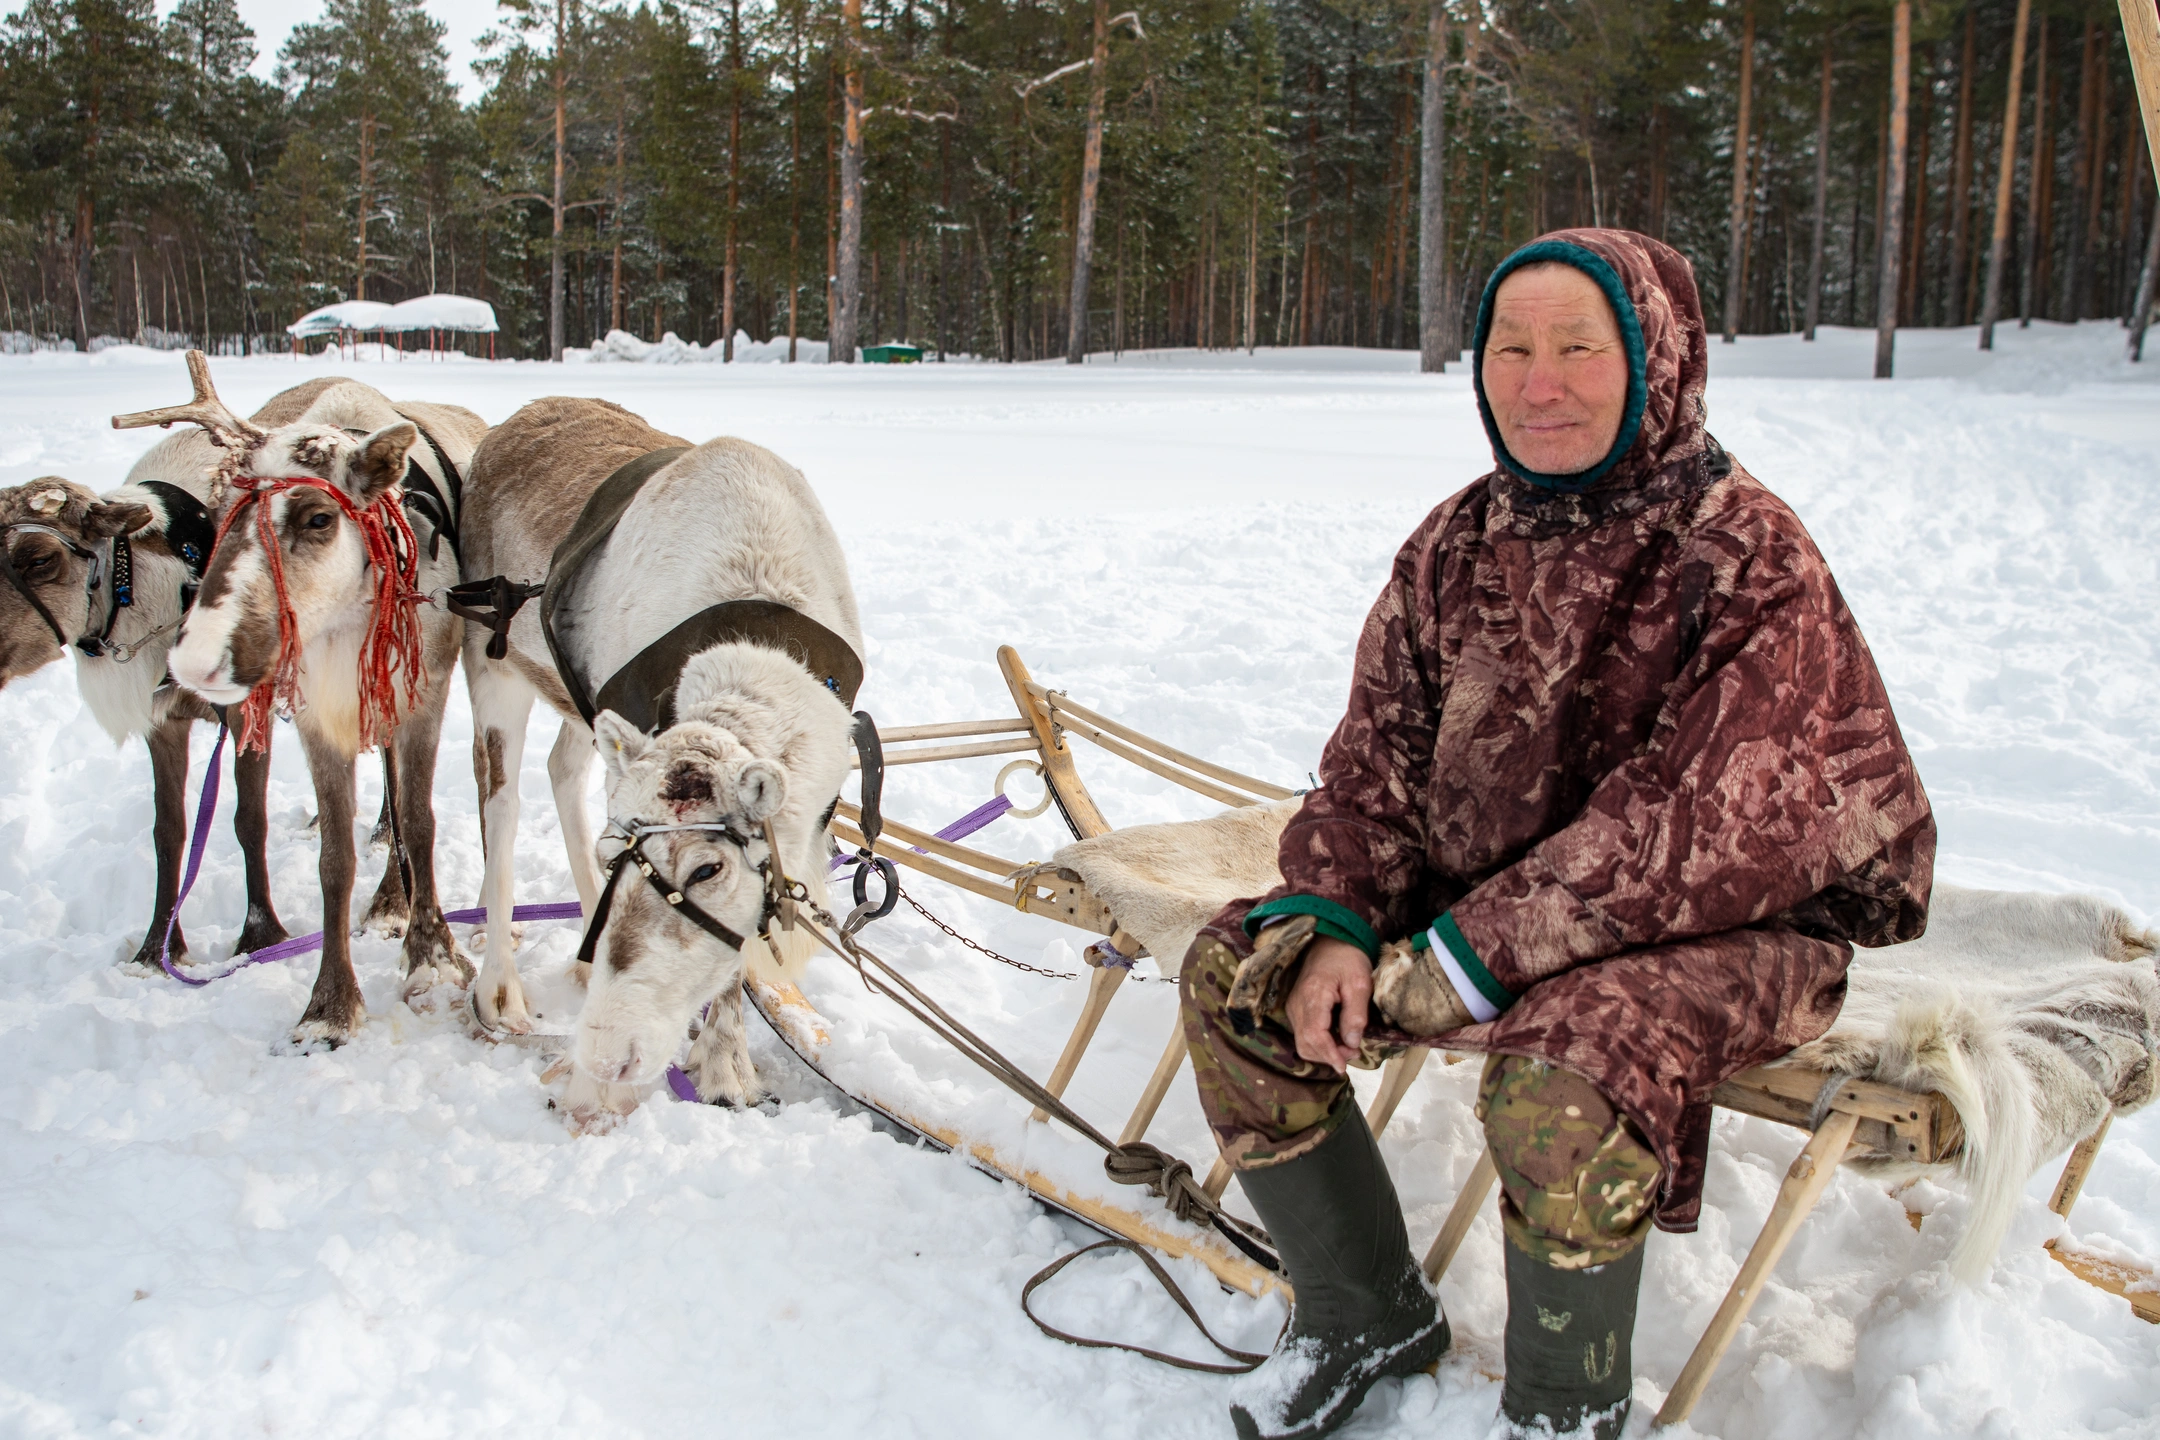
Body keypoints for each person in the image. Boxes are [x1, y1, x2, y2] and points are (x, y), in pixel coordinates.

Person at [1179, 229, 1934, 1440]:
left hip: (1736, 925)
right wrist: (1337, 921)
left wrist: (1461, 960)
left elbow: (1701, 825)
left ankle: (1562, 1414)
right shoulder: (1454, 545)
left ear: (1658, 357)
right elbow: (1371, 766)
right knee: (1239, 971)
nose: (1539, 382)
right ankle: (1361, 1309)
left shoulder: (1748, 554)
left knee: (1566, 1069)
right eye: (1510, 348)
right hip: (1506, 902)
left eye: (1581, 348)